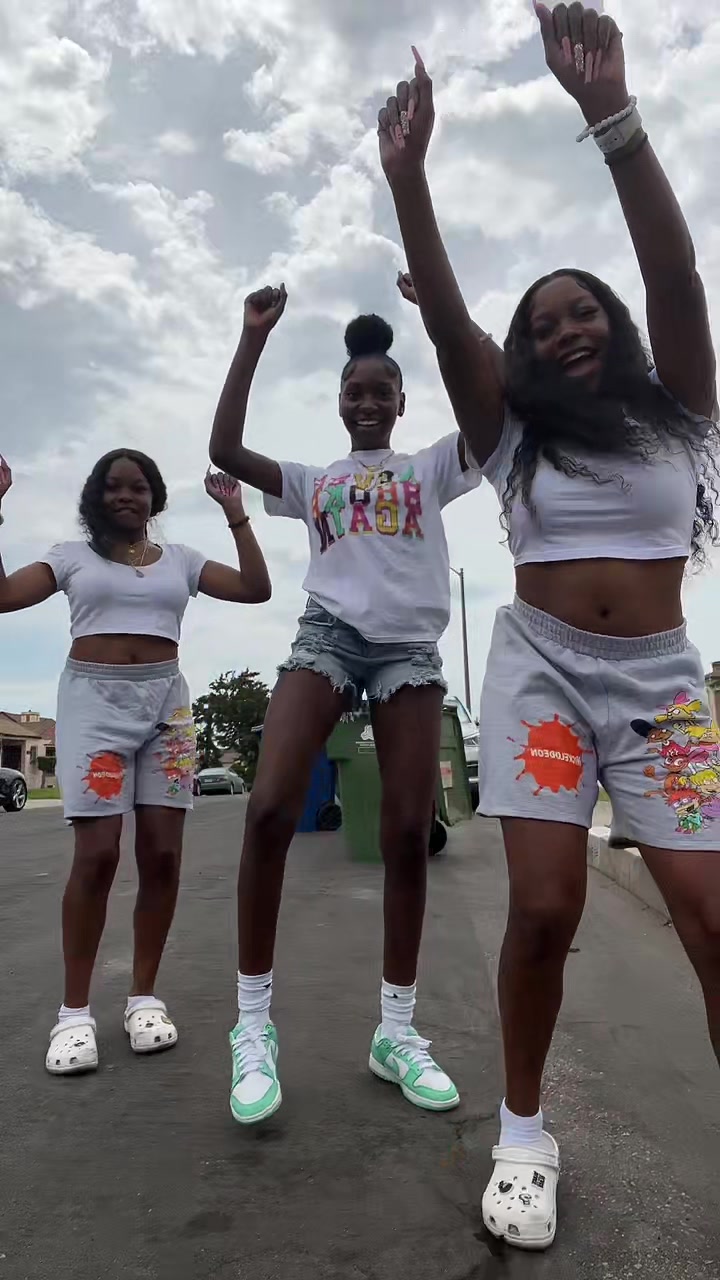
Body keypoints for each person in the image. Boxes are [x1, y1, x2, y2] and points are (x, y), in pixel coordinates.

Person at [379, 5, 719, 1252]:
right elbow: (447, 319)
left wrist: (611, 115)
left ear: (617, 327)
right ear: (522, 358)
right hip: (543, 676)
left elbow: (676, 275)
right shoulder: (508, 433)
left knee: (713, 916)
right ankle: (524, 1132)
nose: (568, 327)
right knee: (544, 906)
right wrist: (410, 181)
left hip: (664, 687)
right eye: (543, 323)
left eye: (585, 312)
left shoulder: (683, 406)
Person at [210, 288, 481, 1125]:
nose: (367, 402)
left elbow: (492, 411)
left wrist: (440, 318)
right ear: (338, 401)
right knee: (268, 808)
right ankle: (252, 1026)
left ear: (402, 401)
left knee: (406, 833)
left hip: (408, 649)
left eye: (381, 391)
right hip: (328, 635)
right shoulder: (313, 480)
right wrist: (252, 339)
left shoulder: (431, 466)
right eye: (354, 391)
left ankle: (395, 1032)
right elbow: (225, 448)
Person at [0, 450, 271, 1074]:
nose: (127, 496)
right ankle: (73, 1014)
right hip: (93, 705)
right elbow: (4, 596)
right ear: (96, 496)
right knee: (97, 855)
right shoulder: (71, 556)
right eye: (114, 487)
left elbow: (257, 589)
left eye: (140, 487)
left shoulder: (182, 560)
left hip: (166, 709)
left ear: (155, 499)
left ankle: (143, 998)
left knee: (163, 855)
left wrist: (236, 514)